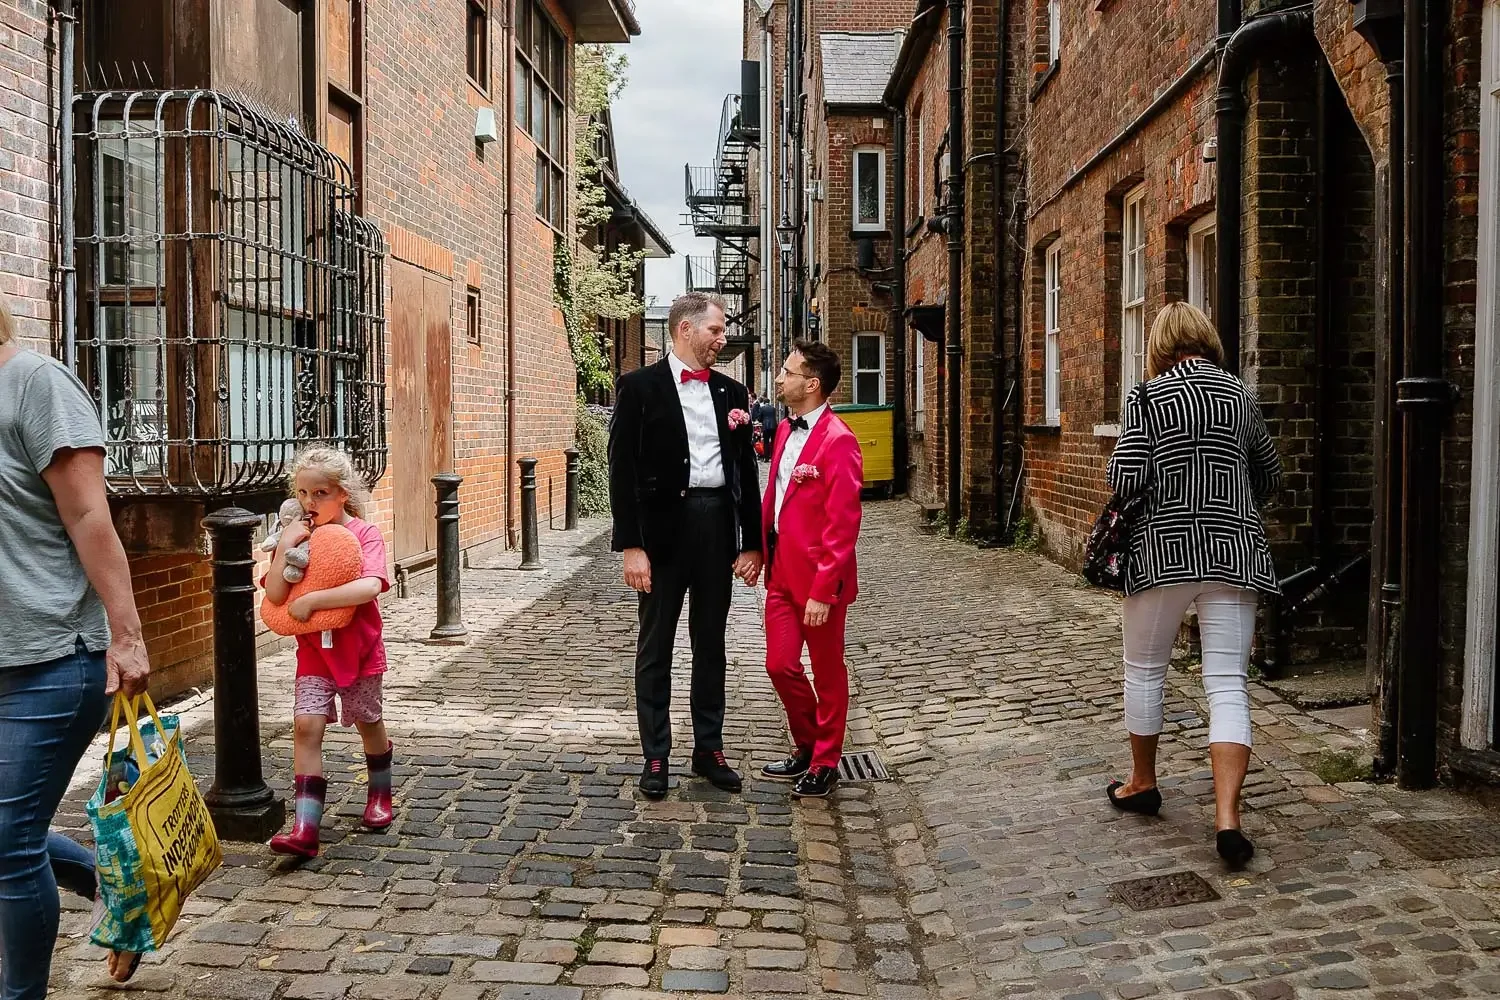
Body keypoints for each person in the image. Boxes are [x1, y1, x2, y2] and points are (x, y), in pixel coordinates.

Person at [0, 292, 148, 995]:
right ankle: (114, 889)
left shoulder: (34, 383)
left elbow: (91, 515)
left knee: (7, 844)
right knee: (9, 834)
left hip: (51, 659)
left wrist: (127, 635)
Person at [1104, 301, 1282, 868]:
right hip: (1234, 551)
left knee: (1145, 670)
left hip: (1161, 553)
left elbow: (1124, 477)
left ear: (1160, 346)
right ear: (1207, 339)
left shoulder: (1148, 399)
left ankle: (1142, 782)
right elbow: (1269, 476)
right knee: (1228, 681)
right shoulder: (1241, 396)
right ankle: (1228, 820)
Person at [607, 291, 763, 798]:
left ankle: (709, 748)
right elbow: (621, 472)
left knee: (711, 643)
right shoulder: (638, 387)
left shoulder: (733, 393)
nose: (722, 339)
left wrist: (752, 542)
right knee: (656, 647)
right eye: (715, 330)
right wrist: (632, 546)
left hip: (717, 526)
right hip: (662, 534)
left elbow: (745, 472)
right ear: (685, 330)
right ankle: (656, 756)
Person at [262, 446, 393, 858]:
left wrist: (316, 599)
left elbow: (370, 586)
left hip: (358, 650)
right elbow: (276, 593)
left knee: (368, 722)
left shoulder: (363, 535)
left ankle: (379, 795)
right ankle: (305, 827)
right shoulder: (302, 538)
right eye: (302, 493)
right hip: (314, 653)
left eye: (319, 493)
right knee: (306, 727)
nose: (309, 503)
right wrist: (285, 544)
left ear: (343, 493)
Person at [758, 342, 863, 798]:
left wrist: (823, 589)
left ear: (812, 383)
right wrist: (758, 552)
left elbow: (843, 525)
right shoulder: (784, 430)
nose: (779, 379)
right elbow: (776, 500)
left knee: (827, 670)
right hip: (781, 572)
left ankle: (826, 760)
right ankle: (806, 744)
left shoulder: (840, 440)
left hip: (822, 580)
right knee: (780, 665)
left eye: (787, 372)